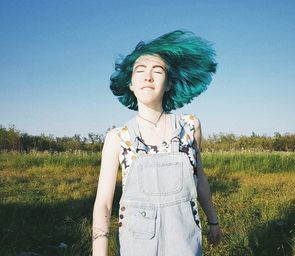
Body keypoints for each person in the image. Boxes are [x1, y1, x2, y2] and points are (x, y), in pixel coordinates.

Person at [92, 30, 222, 256]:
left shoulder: (190, 127)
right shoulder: (117, 138)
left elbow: (199, 178)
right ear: (130, 84)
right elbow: (103, 203)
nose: (148, 77)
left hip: (186, 244)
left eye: (158, 71)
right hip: (136, 247)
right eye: (139, 71)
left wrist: (213, 220)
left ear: (169, 83)